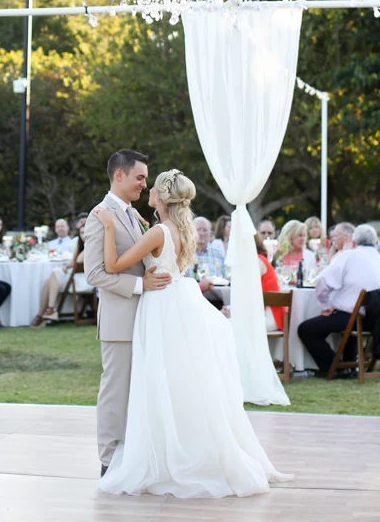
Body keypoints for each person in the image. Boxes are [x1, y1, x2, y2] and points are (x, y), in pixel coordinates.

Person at [93, 168, 289, 498]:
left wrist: (110, 227)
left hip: (160, 308)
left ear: (163, 198)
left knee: (159, 379)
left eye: (153, 188)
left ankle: (165, 454)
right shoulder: (177, 229)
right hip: (180, 303)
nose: (148, 190)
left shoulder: (158, 232)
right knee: (181, 380)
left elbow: (112, 265)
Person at [84, 149, 172, 478]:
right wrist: (141, 286)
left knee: (137, 393)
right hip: (120, 321)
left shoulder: (133, 214)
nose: (143, 184)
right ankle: (108, 462)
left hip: (145, 320)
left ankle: (132, 456)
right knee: (115, 391)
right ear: (119, 175)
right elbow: (94, 274)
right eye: (139, 177)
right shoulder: (100, 215)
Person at [298, 223, 380, 375]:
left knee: (306, 329)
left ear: (351, 238)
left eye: (335, 236)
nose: (333, 240)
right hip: (377, 319)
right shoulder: (378, 258)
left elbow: (323, 281)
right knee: (348, 317)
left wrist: (326, 303)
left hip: (354, 317)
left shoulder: (349, 255)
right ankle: (348, 366)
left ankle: (334, 367)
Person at [31, 219, 93, 326]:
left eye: (86, 232)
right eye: (82, 233)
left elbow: (77, 262)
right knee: (48, 281)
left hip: (83, 280)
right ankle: (43, 313)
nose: (84, 235)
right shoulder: (79, 245)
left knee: (55, 273)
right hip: (73, 276)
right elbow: (73, 263)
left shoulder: (91, 246)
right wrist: (66, 267)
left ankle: (49, 311)